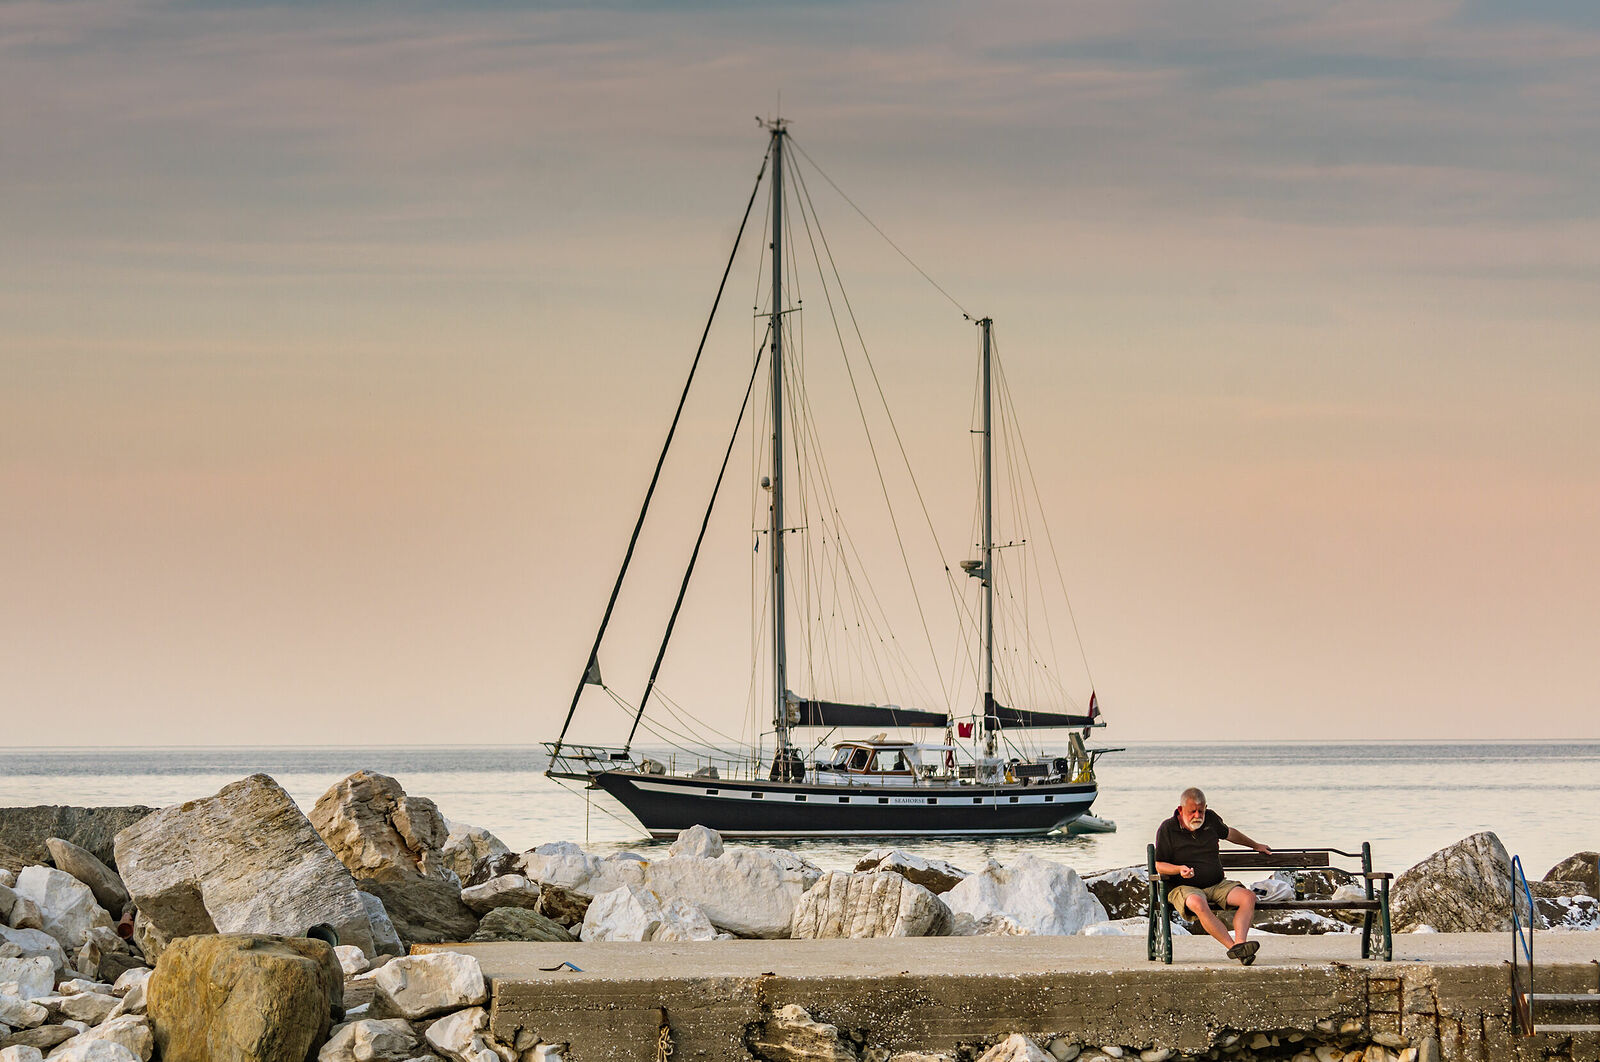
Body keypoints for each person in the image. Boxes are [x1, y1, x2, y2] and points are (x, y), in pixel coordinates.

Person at [1153, 787, 1272, 964]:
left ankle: (1241, 945)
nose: (1197, 815)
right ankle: (1235, 949)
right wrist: (1179, 869)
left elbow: (1230, 833)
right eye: (1192, 811)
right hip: (1183, 888)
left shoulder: (1211, 819)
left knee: (1248, 897)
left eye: (1200, 811)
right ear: (1180, 809)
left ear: (1206, 808)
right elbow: (1159, 864)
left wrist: (1255, 845)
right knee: (1198, 903)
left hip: (1216, 884)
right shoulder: (1168, 828)